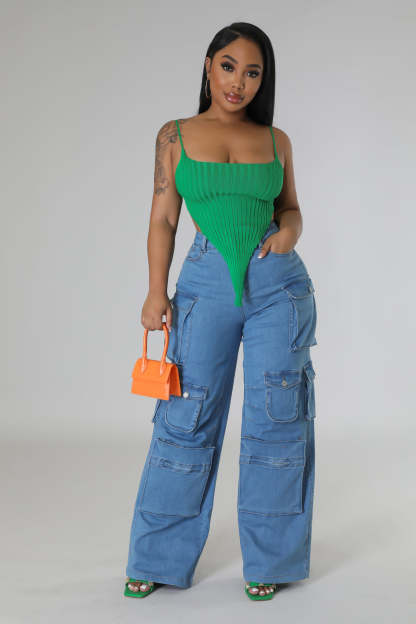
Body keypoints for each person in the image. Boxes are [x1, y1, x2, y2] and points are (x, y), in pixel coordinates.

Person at [124, 21, 318, 601]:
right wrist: (155, 291)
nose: (239, 82)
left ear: (263, 80)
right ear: (209, 65)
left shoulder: (276, 140)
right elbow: (163, 219)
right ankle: (157, 557)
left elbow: (291, 208)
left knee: (277, 422)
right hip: (204, 287)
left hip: (278, 288)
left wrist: (289, 232)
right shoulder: (175, 135)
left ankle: (271, 562)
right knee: (185, 418)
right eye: (229, 66)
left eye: (253, 72)